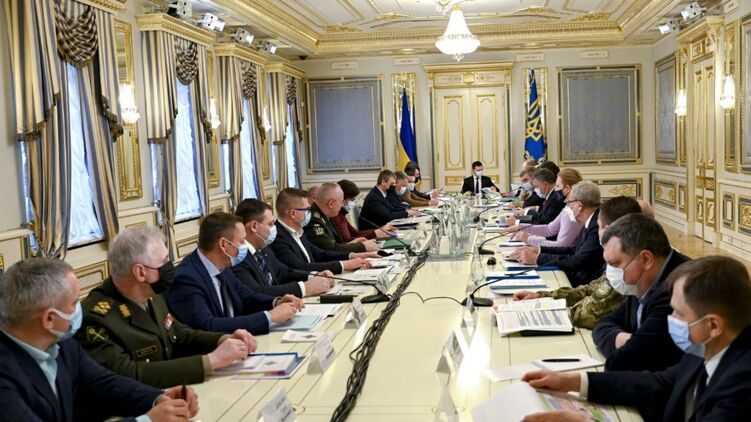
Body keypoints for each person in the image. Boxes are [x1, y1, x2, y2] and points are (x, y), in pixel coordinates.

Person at [521, 256, 751, 422]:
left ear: (713, 326)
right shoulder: (707, 347)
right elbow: (659, 383)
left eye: (679, 314)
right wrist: (573, 382)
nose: (670, 319)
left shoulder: (742, 384)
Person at [0, 258, 199, 421]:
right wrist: (148, 421)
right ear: (49, 319)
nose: (80, 309)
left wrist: (158, 398)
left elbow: (106, 383)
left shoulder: (63, 345)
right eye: (74, 303)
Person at [78, 227, 257, 388]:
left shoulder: (152, 296)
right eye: (164, 262)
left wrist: (224, 339)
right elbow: (127, 374)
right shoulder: (95, 319)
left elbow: (180, 334)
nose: (170, 267)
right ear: (140, 272)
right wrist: (210, 362)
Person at [511, 196, 643, 329]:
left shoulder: (626, 265)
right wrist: (542, 296)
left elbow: (587, 315)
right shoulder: (619, 258)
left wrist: (546, 308)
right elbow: (591, 289)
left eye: (599, 226)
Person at [166, 212, 303, 335]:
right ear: (223, 244)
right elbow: (207, 325)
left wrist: (276, 302)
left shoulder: (222, 266)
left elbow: (247, 297)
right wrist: (269, 317)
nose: (245, 246)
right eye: (241, 241)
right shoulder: (186, 278)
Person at [592, 213, 689, 371]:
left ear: (646, 259)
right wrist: (626, 340)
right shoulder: (642, 280)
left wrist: (632, 344)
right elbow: (602, 325)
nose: (611, 271)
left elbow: (624, 361)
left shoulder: (678, 290)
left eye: (615, 264)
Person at [233, 198, 335, 297]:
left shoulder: (263, 249)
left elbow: (282, 272)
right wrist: (305, 288)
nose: (274, 228)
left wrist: (314, 275)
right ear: (254, 226)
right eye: (270, 224)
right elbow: (257, 292)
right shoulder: (238, 257)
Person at [512, 181, 604, 287]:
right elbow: (573, 250)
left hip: (584, 284)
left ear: (579, 205)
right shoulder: (592, 220)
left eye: (569, 202)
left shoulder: (597, 225)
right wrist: (539, 250)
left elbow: (578, 261)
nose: (568, 206)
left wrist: (537, 258)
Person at [271, 188, 377, 273]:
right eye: (307, 209)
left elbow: (320, 254)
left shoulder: (298, 232)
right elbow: (301, 267)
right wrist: (344, 265)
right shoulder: (278, 237)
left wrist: (352, 255)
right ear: (293, 214)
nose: (309, 212)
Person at [505, 168, 583, 248]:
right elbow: (548, 228)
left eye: (558, 186)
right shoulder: (567, 206)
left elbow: (561, 245)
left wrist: (527, 236)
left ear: (567, 189)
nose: (555, 189)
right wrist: (520, 226)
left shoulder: (567, 207)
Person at [305, 182, 381, 253]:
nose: (342, 205)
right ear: (331, 203)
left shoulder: (326, 215)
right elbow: (331, 250)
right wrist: (362, 247)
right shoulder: (313, 220)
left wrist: (351, 244)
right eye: (341, 202)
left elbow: (336, 244)